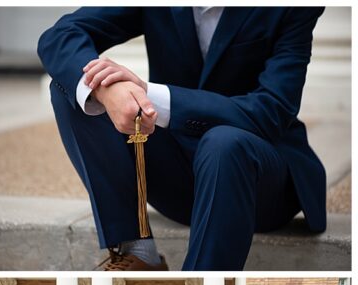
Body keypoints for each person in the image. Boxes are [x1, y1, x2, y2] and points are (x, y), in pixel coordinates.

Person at [38, 7, 326, 270]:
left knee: (224, 142)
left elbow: (271, 110)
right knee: (76, 88)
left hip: (258, 182)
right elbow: (60, 35)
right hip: (180, 177)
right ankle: (138, 253)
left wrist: (149, 94)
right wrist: (106, 89)